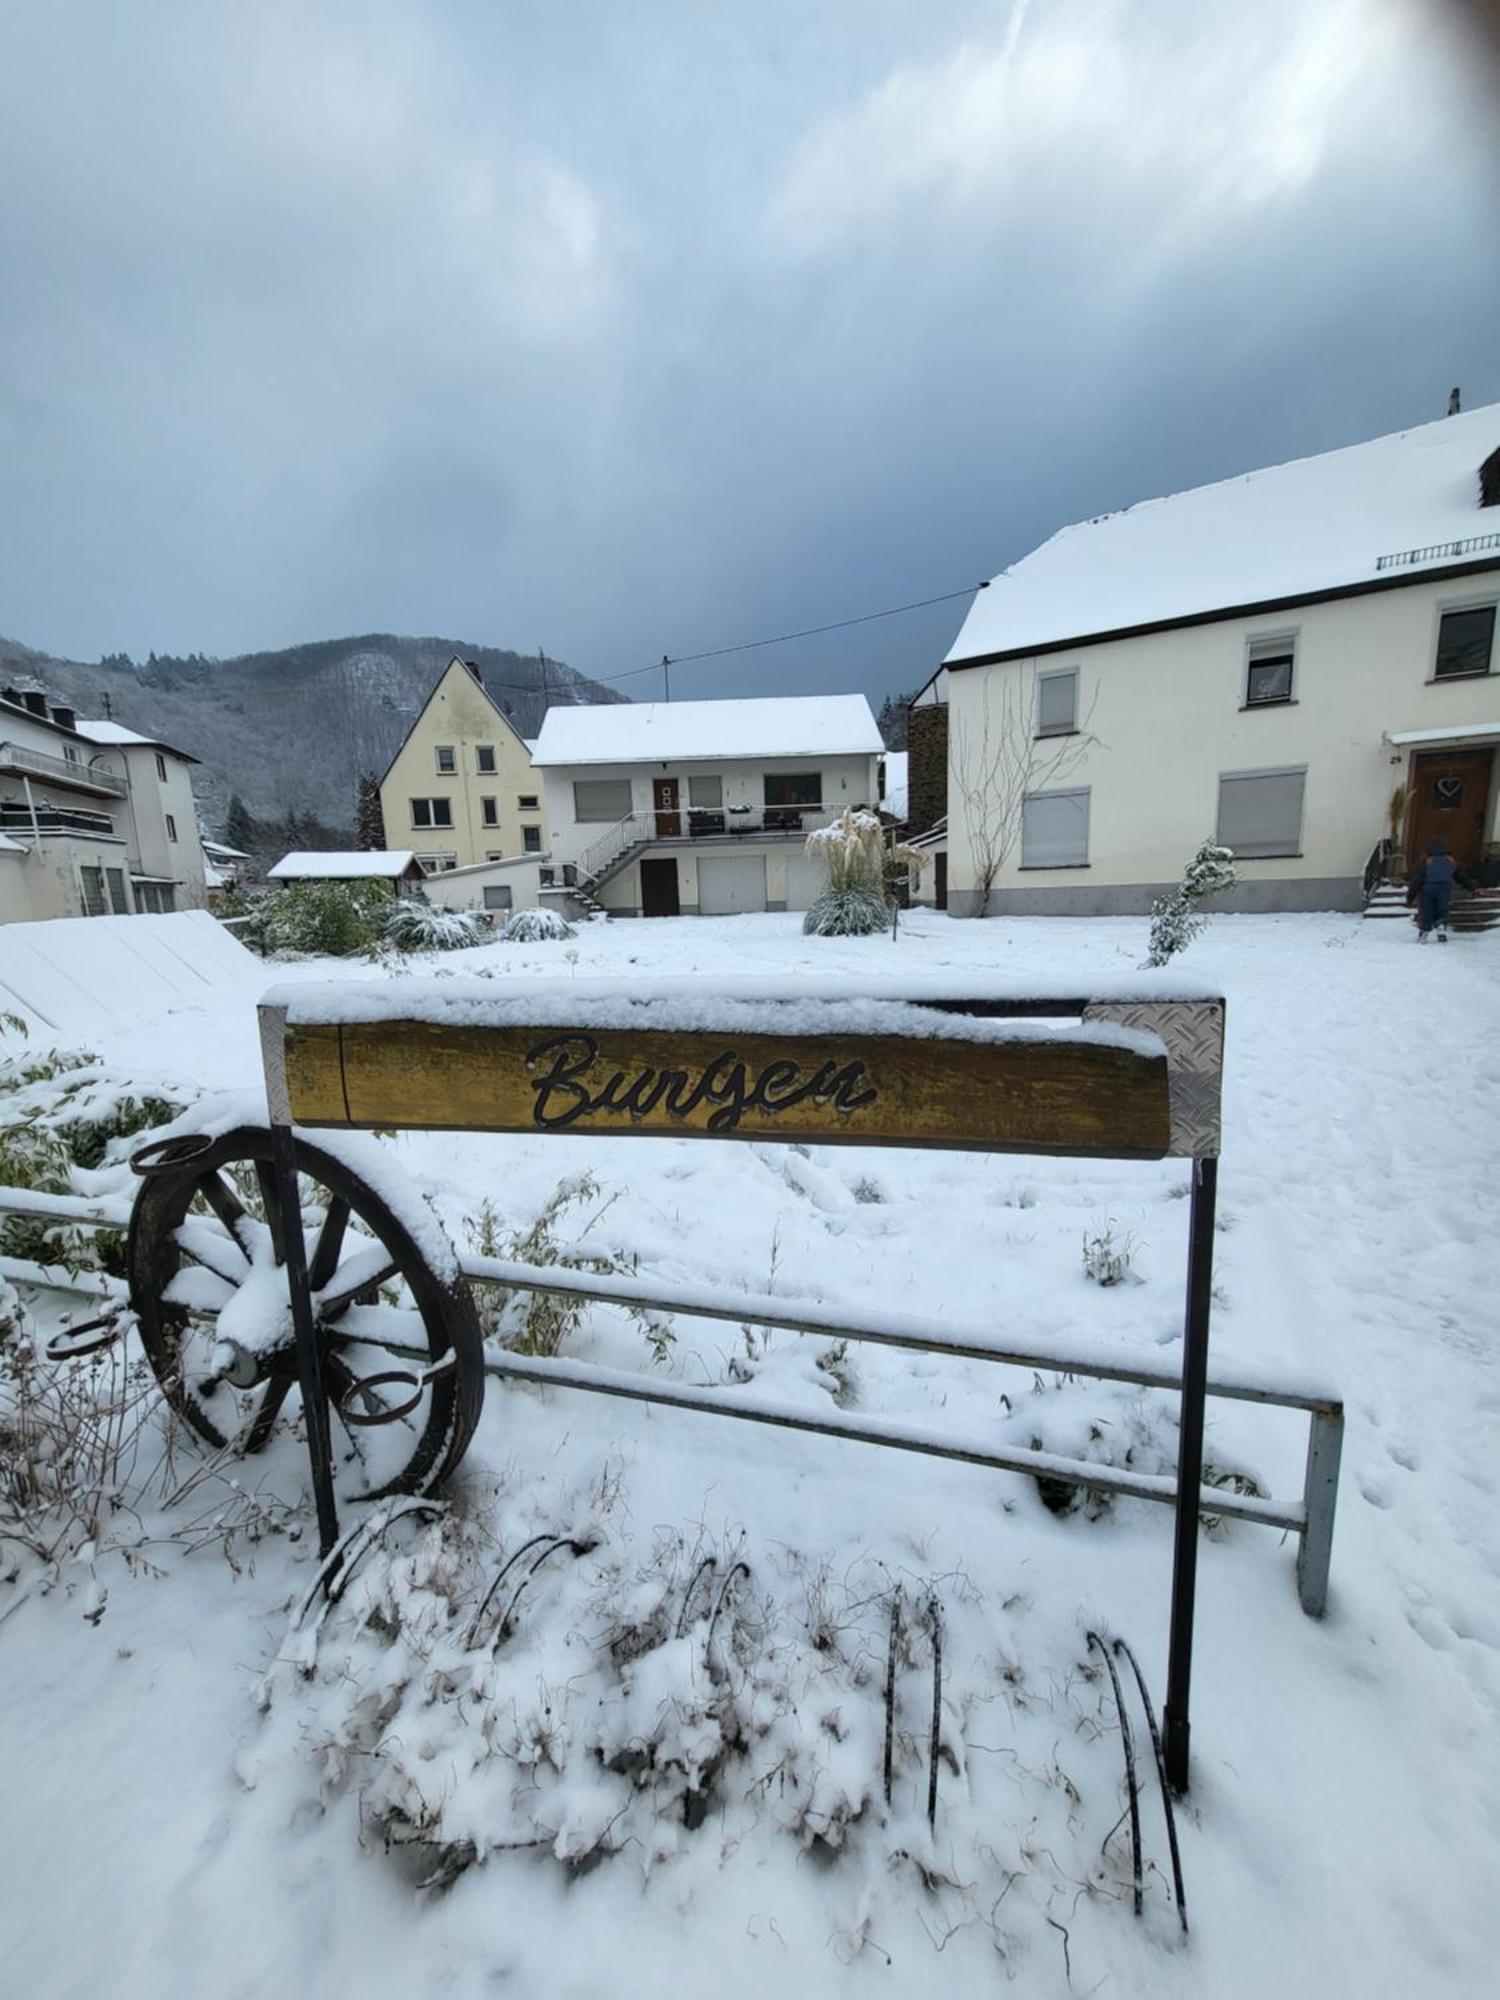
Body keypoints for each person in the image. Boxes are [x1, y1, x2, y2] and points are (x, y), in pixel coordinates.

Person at [1406, 838, 1480, 942]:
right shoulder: (1450, 860)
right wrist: (1471, 886)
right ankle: (1441, 926)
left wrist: (1410, 896)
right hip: (1445, 888)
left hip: (1428, 889)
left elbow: (1418, 879)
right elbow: (1460, 876)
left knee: (1426, 909)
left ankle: (1424, 932)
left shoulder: (1427, 860)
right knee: (1442, 908)